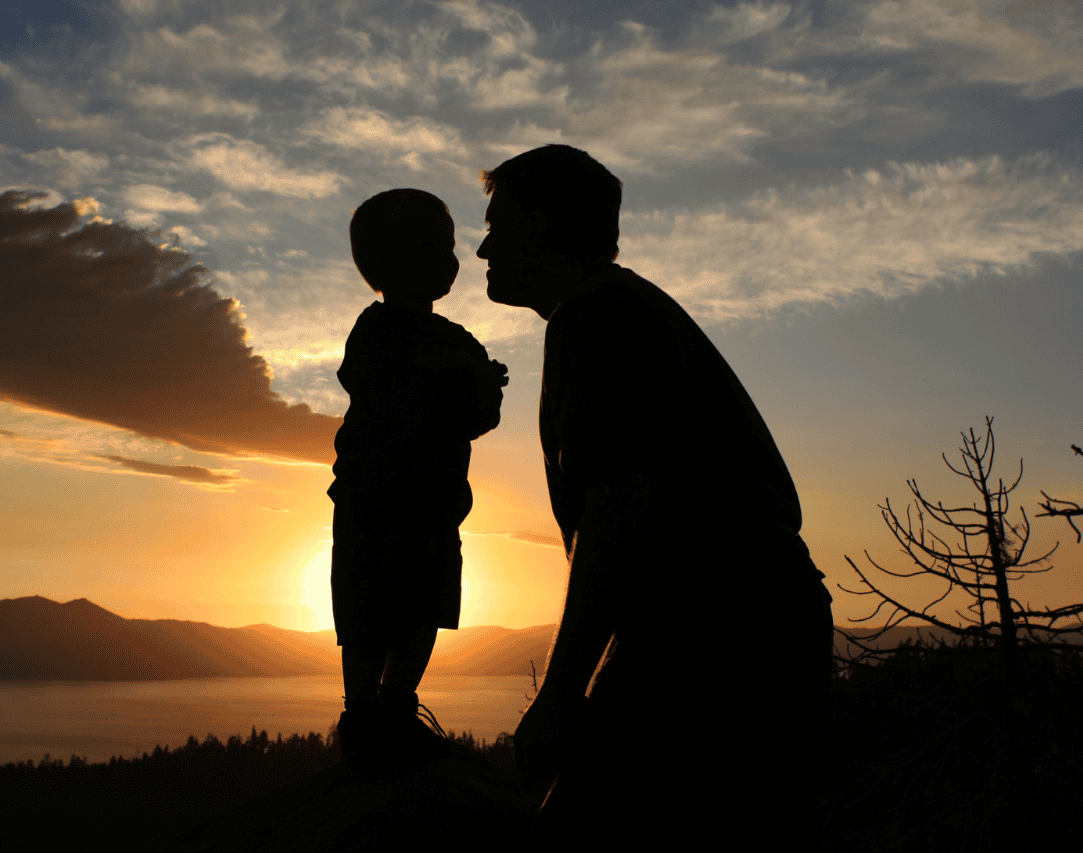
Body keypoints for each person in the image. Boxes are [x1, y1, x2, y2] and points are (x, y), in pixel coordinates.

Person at [476, 145, 834, 847]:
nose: (484, 245)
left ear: (540, 228)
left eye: (498, 222)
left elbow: (616, 508)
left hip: (718, 630)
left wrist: (559, 694)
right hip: (749, 618)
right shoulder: (624, 306)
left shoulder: (596, 317)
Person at [329, 188, 509, 775]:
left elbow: (481, 414)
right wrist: (459, 381)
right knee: (368, 610)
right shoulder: (376, 330)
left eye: (449, 247)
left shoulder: (456, 340)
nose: (451, 260)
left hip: (435, 506)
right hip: (373, 502)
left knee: (423, 607)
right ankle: (362, 717)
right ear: (383, 263)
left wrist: (479, 386)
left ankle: (396, 708)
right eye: (433, 247)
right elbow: (372, 383)